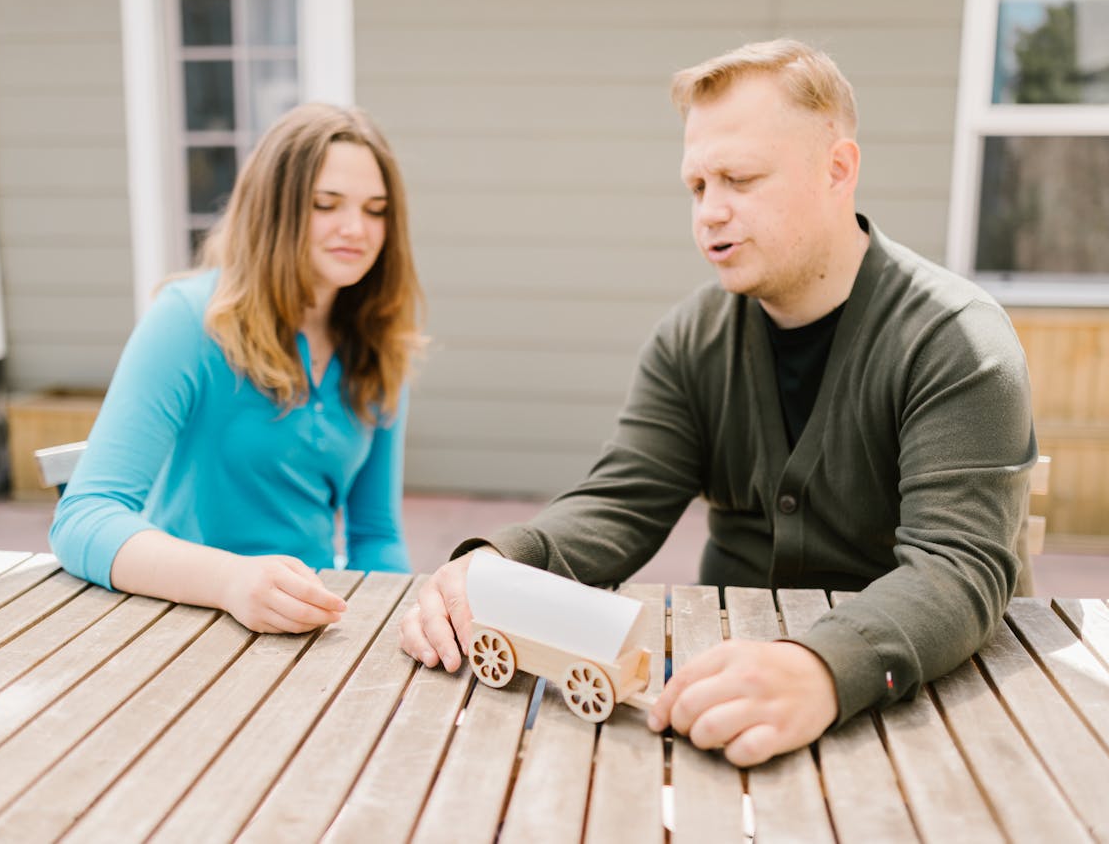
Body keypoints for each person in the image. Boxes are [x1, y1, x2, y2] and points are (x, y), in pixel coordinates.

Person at [398, 39, 1037, 766]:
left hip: (926, 711)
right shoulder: (690, 340)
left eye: (739, 177)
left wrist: (823, 667)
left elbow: (957, 568)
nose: (709, 213)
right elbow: (620, 503)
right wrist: (499, 562)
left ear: (839, 170)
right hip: (719, 707)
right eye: (697, 186)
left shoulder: (956, 341)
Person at [51, 103, 424, 635]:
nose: (355, 228)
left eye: (376, 209)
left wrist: (394, 630)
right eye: (326, 204)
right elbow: (85, 515)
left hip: (308, 629)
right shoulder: (188, 320)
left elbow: (375, 533)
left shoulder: (381, 346)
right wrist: (231, 581)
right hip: (176, 621)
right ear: (274, 208)